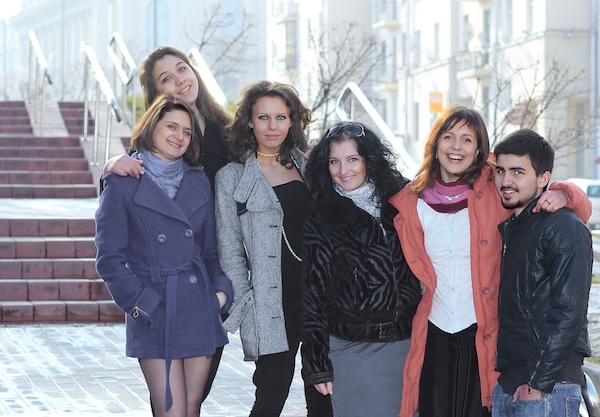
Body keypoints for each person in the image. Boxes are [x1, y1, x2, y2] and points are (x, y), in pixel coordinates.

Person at [389, 105, 591, 417]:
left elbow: (543, 189)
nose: (457, 147)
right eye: (449, 136)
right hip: (434, 330)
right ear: (435, 142)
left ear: (480, 150)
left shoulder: (494, 188)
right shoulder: (411, 199)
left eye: (467, 140)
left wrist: (567, 192)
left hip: (484, 333)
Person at [101, 45, 231, 406]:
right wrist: (144, 305)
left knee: (192, 408)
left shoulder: (225, 140)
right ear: (154, 113)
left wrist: (220, 295)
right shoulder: (128, 175)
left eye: (182, 69)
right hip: (156, 305)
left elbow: (209, 249)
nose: (179, 136)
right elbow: (109, 255)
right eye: (170, 126)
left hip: (200, 304)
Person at [214, 80, 333, 417]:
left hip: (317, 298)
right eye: (263, 117)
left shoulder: (311, 168)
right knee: (270, 396)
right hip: (269, 304)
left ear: (292, 121)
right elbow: (230, 250)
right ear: (249, 121)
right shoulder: (232, 177)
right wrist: (246, 300)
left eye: (281, 117)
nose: (272, 126)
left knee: (324, 398)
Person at [299, 121, 422, 416]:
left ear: (369, 159)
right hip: (353, 349)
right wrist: (316, 364)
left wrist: (556, 189)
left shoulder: (402, 202)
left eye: (352, 159)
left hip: (408, 346)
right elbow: (312, 295)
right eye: (334, 162)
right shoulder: (322, 216)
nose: (344, 171)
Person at [491, 128, 592, 417]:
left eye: (518, 172)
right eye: (501, 171)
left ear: (543, 178)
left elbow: (568, 312)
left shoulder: (563, 227)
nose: (506, 181)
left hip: (547, 387)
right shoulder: (516, 227)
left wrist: (538, 383)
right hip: (510, 383)